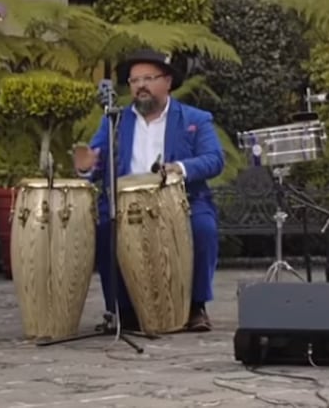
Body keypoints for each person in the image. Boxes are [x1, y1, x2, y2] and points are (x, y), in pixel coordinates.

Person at [73, 48, 224, 333]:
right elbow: (95, 161)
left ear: (167, 82)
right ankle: (122, 310)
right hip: (126, 205)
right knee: (106, 230)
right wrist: (86, 166)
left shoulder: (194, 119)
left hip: (182, 201)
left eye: (148, 78)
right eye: (134, 81)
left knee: (203, 228)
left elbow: (215, 159)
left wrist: (179, 167)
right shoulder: (114, 120)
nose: (140, 85)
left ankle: (195, 306)